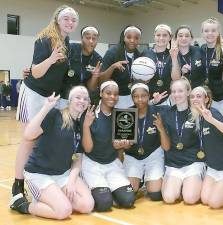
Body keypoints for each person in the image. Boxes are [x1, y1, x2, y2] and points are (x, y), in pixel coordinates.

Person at [11, 5, 79, 213]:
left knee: (44, 138)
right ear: (57, 19)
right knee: (28, 139)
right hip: (33, 93)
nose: (69, 22)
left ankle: (43, 180)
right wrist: (50, 59)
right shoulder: (44, 39)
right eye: (66, 18)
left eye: (73, 20)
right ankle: (17, 186)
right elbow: (36, 73)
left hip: (50, 97)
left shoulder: (66, 41)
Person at [22, 86, 94, 219]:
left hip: (62, 174)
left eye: (85, 99)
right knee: (64, 211)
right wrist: (45, 108)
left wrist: (71, 181)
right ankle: (25, 205)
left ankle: (52, 197)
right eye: (78, 97)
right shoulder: (55, 114)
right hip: (39, 173)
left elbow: (78, 158)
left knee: (87, 205)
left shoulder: (80, 125)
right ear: (70, 101)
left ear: (88, 104)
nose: (82, 101)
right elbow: (28, 135)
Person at [81, 81, 135, 211]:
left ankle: (108, 190)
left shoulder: (122, 116)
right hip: (93, 164)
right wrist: (86, 126)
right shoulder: (90, 114)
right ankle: (91, 186)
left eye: (115, 94)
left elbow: (127, 145)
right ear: (101, 93)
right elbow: (87, 149)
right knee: (104, 204)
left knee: (128, 200)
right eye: (108, 93)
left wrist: (124, 144)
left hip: (112, 164)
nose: (112, 97)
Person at [189, 86, 223, 209]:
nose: (195, 99)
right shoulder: (195, 117)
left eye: (199, 96)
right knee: (205, 199)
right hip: (213, 168)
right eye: (192, 97)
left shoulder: (212, 112)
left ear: (207, 99)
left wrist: (211, 120)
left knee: (214, 203)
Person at [161, 78, 205, 204]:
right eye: (173, 91)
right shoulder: (166, 113)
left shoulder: (198, 112)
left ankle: (191, 184)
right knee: (169, 199)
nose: (176, 95)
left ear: (187, 92)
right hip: (174, 164)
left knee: (190, 199)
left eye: (180, 91)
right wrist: (154, 101)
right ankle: (178, 185)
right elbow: (144, 108)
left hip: (193, 163)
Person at [123, 83, 170, 201]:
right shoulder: (125, 114)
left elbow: (166, 147)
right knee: (128, 195)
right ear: (132, 97)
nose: (140, 99)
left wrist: (161, 128)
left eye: (143, 96)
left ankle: (148, 181)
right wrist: (124, 144)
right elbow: (122, 145)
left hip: (153, 155)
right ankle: (139, 181)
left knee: (155, 194)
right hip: (133, 156)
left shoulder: (159, 112)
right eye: (136, 96)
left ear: (149, 96)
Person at [99, 25, 142, 108]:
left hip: (132, 98)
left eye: (136, 38)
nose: (132, 40)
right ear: (124, 38)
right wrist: (113, 67)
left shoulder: (139, 56)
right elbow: (101, 80)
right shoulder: (112, 52)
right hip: (113, 98)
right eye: (129, 37)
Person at [200, 18, 223, 122]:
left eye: (213, 30)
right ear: (202, 33)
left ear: (218, 32)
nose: (210, 33)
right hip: (210, 97)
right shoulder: (202, 49)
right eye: (206, 31)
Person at [61, 26, 102, 106]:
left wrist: (94, 76)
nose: (91, 41)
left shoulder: (97, 59)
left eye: (94, 38)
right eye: (87, 37)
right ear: (82, 38)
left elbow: (91, 88)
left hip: (82, 100)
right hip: (63, 97)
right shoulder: (69, 49)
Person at [141, 24, 181, 105]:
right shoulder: (146, 53)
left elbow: (176, 78)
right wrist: (143, 80)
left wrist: (174, 58)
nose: (161, 38)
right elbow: (137, 76)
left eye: (165, 35)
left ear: (170, 37)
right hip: (148, 99)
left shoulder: (173, 54)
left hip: (167, 100)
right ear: (154, 36)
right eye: (158, 35)